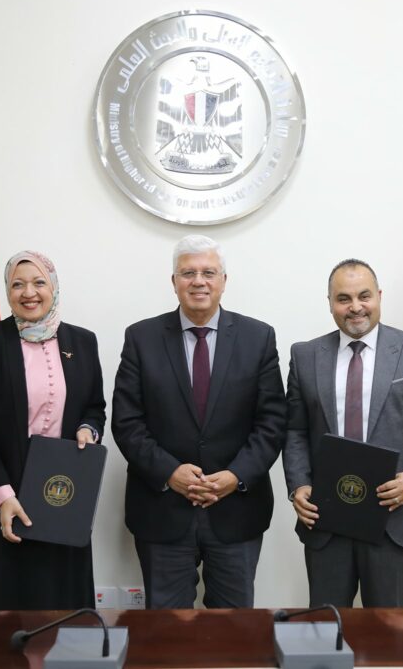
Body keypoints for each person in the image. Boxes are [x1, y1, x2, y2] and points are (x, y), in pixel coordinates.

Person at [111, 235, 286, 609]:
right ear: (173, 281)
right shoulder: (141, 338)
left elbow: (272, 422)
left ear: (224, 280)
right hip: (162, 511)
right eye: (188, 273)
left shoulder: (258, 338)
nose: (198, 281)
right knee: (167, 631)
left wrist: (235, 475)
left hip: (237, 512)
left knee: (234, 630)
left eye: (208, 272)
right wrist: (170, 472)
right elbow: (127, 422)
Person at [282, 258, 403, 607]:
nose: (355, 307)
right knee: (326, 627)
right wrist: (299, 485)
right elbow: (295, 430)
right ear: (330, 303)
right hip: (327, 519)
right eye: (343, 298)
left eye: (364, 296)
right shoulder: (305, 356)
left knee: (390, 632)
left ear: (379, 296)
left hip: (394, 518)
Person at [0, 251, 107, 610]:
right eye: (17, 284)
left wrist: (88, 429)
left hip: (60, 499)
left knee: (57, 612)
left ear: (54, 286)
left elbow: (94, 407)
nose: (29, 293)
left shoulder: (82, 342)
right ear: (7, 291)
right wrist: (2, 496)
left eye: (39, 282)